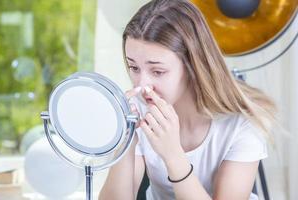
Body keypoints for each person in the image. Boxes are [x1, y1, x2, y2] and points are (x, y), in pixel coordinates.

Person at [99, 0, 276, 199]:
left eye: (157, 71)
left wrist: (173, 155)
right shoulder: (139, 110)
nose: (142, 85)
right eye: (134, 68)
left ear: (193, 66)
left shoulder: (242, 123)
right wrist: (126, 143)